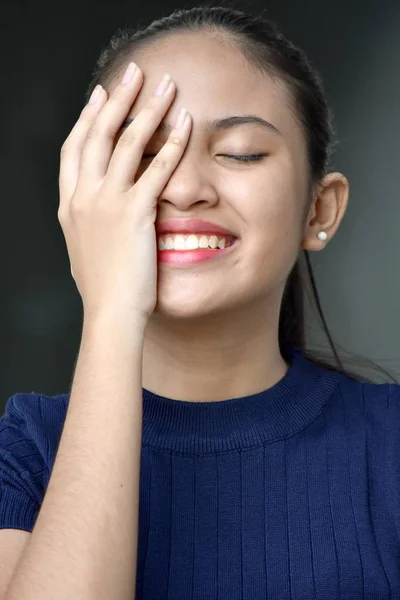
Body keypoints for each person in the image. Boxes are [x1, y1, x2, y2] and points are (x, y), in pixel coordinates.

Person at [0, 5, 399, 600]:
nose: (184, 189)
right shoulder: (28, 448)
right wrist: (110, 309)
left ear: (319, 210)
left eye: (239, 152)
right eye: (140, 156)